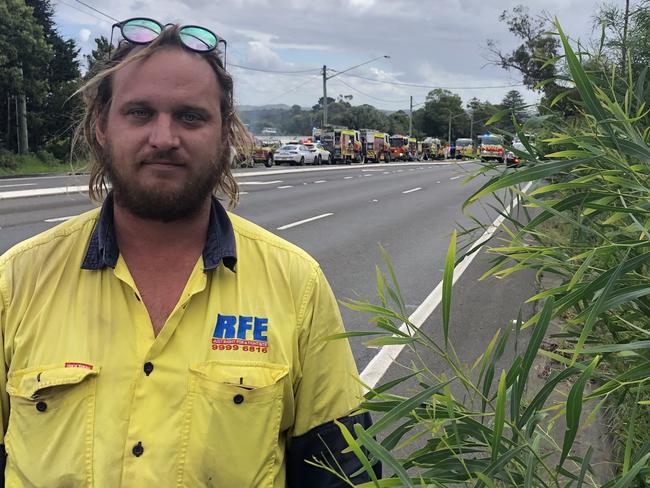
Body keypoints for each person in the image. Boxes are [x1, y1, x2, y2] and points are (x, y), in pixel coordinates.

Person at [0, 19, 377, 487]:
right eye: (139, 113)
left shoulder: (297, 284)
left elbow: (341, 473)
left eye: (190, 116)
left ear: (225, 133)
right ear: (101, 126)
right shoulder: (16, 280)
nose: (163, 138)